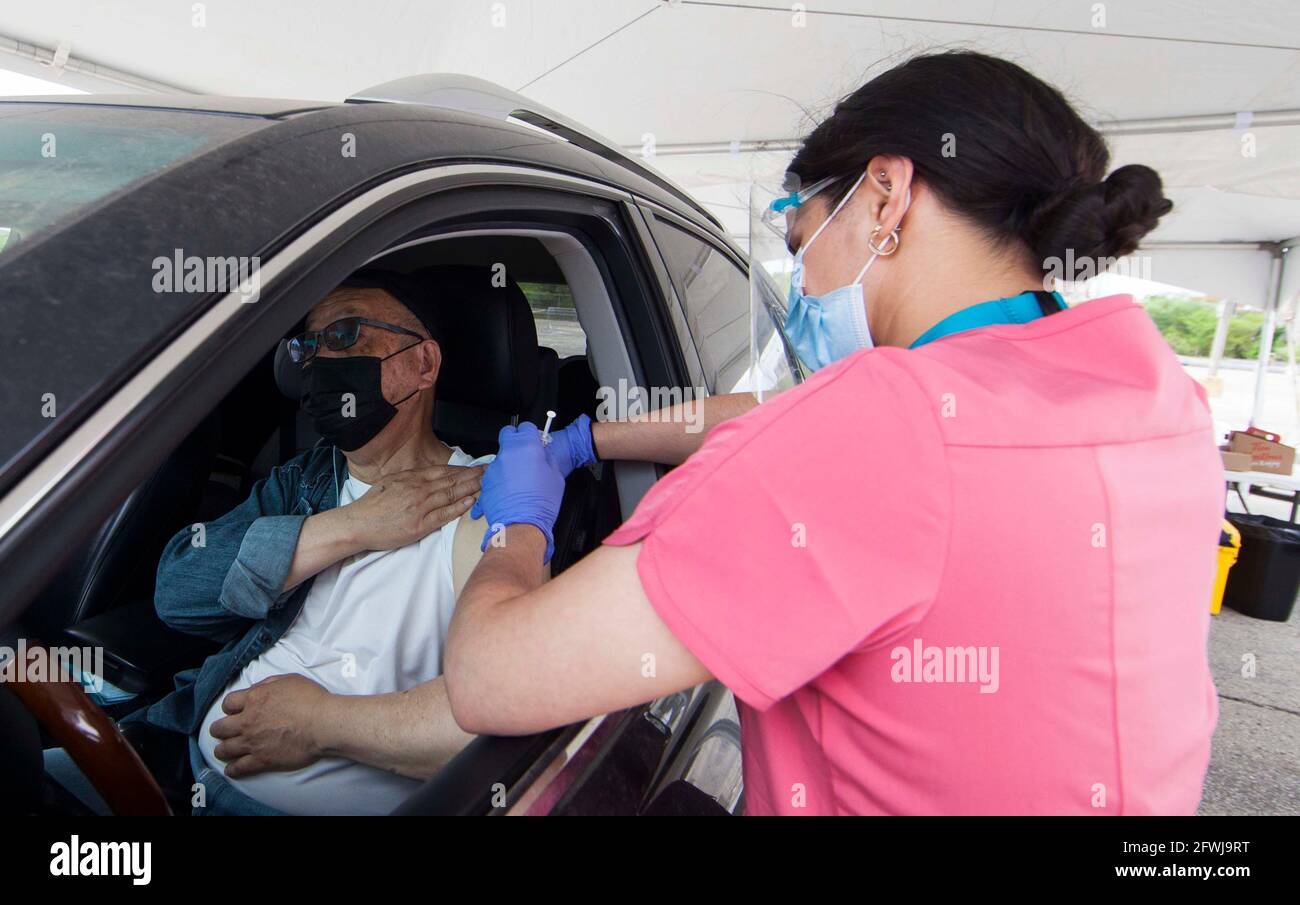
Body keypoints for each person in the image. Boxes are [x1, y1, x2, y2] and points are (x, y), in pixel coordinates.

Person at [245, 50, 1223, 816]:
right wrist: (593, 438)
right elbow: (806, 431)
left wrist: (518, 527)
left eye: (801, 243)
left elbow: (494, 678)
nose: (801, 283)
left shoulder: (875, 429)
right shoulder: (1149, 398)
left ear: (884, 197)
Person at [129, 274, 489, 815]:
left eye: (344, 334)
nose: (320, 358)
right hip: (177, 762)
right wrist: (356, 524)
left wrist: (320, 725)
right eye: (309, 344)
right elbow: (177, 591)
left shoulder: (485, 494)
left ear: (424, 364)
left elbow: (493, 720)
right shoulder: (307, 478)